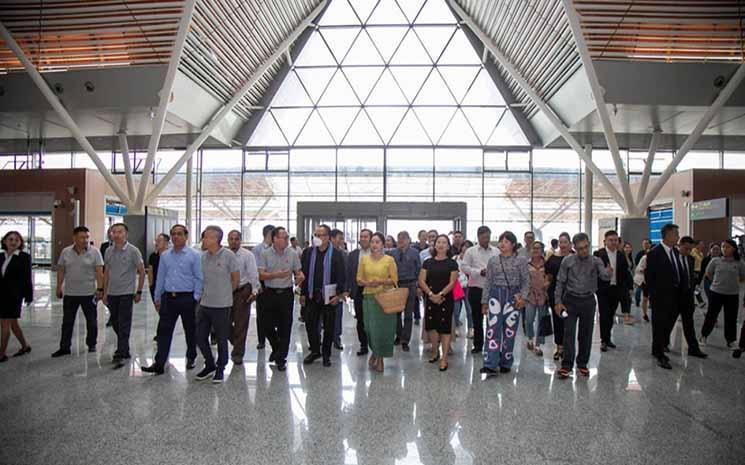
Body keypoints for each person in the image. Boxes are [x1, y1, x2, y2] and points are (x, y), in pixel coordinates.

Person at [141, 224, 203, 375]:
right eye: (174, 234)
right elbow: (160, 277)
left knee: (190, 330)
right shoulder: (165, 256)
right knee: (163, 331)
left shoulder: (194, 255)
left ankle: (191, 357)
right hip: (169, 298)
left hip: (187, 298)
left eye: (180, 234)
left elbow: (199, 278)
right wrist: (157, 297)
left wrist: (195, 297)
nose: (176, 237)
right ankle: (159, 363)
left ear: (186, 236)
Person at [554, 233, 611, 378]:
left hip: (588, 301)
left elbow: (604, 276)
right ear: (574, 247)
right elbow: (560, 282)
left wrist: (609, 272)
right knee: (569, 334)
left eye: (586, 247)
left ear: (589, 244)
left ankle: (582, 363)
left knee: (586, 334)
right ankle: (566, 365)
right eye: (580, 248)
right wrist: (558, 302)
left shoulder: (595, 261)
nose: (584, 251)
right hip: (570, 301)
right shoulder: (567, 261)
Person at [191, 226, 239, 383]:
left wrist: (225, 294)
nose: (204, 239)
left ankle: (220, 368)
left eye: (206, 237)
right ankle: (209, 364)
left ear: (215, 239)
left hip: (222, 305)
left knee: (221, 338)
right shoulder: (203, 257)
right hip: (204, 303)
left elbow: (235, 280)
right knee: (199, 336)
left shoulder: (229, 256)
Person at [479, 231, 529, 376]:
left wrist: (523, 298)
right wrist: (484, 301)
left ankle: (506, 361)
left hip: (513, 297)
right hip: (495, 296)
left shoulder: (521, 261)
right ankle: (490, 364)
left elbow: (526, 281)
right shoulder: (493, 260)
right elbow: (488, 282)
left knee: (510, 331)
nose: (502, 244)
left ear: (513, 245)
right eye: (501, 241)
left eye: (506, 241)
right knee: (492, 330)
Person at [53, 226, 104, 357]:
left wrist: (100, 289)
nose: (85, 240)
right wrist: (59, 286)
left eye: (87, 237)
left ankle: (92, 344)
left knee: (91, 321)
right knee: (67, 322)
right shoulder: (66, 252)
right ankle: (64, 347)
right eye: (82, 237)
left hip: (88, 293)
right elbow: (61, 270)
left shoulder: (95, 252)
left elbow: (99, 272)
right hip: (70, 293)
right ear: (74, 238)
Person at [258, 226, 304, 371]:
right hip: (269, 293)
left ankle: (281, 358)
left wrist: (300, 277)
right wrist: (275, 275)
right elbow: (260, 275)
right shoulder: (265, 254)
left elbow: (298, 272)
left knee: (286, 325)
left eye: (287, 237)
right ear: (274, 239)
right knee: (266, 325)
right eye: (283, 237)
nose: (286, 240)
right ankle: (276, 347)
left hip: (286, 294)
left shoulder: (292, 253)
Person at [300, 224, 346, 367]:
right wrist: (302, 293)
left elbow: (341, 277)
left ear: (327, 238)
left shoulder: (337, 254)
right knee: (310, 325)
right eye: (316, 235)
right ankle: (315, 350)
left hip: (329, 296)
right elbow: (304, 275)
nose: (317, 238)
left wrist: (338, 296)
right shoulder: (308, 252)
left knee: (329, 327)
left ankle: (326, 354)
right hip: (312, 295)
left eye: (321, 235)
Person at [645, 223, 689, 369]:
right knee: (659, 325)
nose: (678, 237)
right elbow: (649, 276)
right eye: (676, 234)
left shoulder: (675, 252)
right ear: (668, 235)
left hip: (676, 296)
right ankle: (659, 354)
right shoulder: (654, 253)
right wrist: (654, 296)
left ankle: (661, 346)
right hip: (661, 297)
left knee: (668, 324)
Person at [102, 223, 145, 367]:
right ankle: (125, 349)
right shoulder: (108, 251)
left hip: (126, 292)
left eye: (120, 232)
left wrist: (138, 291)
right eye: (114, 232)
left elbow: (142, 271)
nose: (116, 234)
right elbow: (106, 272)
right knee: (115, 322)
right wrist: (104, 291)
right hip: (112, 292)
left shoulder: (133, 251)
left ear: (126, 234)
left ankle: (120, 352)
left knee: (124, 323)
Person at [356, 232, 398, 373]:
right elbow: (359, 279)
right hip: (369, 298)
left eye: (377, 242)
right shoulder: (364, 260)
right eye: (373, 242)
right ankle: (374, 351)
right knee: (369, 329)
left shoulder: (389, 260)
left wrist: (380, 281)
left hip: (385, 298)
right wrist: (368, 283)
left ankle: (380, 358)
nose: (374, 245)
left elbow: (394, 280)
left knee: (382, 330)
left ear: (383, 244)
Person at [419, 234, 458, 371]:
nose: (441, 244)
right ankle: (435, 351)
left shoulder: (452, 263)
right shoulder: (428, 262)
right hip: (430, 297)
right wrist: (430, 294)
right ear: (434, 245)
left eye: (444, 242)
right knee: (432, 325)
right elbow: (422, 280)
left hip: (445, 299)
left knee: (445, 327)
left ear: (448, 246)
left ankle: (444, 358)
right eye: (438, 242)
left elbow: (452, 282)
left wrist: (440, 294)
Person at [699, 239, 745, 349]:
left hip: (732, 294)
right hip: (716, 293)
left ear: (733, 249)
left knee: (731, 317)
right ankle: (704, 335)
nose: (724, 249)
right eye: (723, 247)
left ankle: (730, 340)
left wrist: (732, 283)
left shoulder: (739, 263)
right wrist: (718, 283)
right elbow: (708, 274)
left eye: (727, 247)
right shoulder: (715, 261)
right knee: (711, 315)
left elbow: (743, 277)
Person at [460, 226, 498, 355]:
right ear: (478, 237)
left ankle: (492, 345)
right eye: (483, 237)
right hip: (476, 288)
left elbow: (500, 267)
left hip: (493, 289)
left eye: (488, 237)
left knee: (492, 319)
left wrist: (492, 272)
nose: (486, 240)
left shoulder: (496, 251)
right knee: (477, 319)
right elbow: (464, 267)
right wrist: (478, 272)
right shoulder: (471, 251)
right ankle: (478, 345)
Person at [671, 236, 708, 358]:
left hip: (687, 297)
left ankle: (693, 348)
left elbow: (690, 277)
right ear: (679, 245)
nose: (688, 251)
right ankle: (664, 344)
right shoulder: (672, 258)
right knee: (669, 322)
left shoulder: (691, 259)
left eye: (690, 249)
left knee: (689, 324)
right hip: (675, 297)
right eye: (686, 248)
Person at [593, 230, 629, 351]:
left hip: (616, 289)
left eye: (615, 240)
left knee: (611, 314)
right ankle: (603, 340)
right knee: (604, 314)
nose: (613, 242)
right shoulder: (599, 254)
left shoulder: (620, 254)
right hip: (603, 290)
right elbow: (594, 272)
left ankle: (607, 339)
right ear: (605, 241)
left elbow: (624, 272)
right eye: (611, 240)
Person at [227, 230, 259, 365]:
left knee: (241, 323)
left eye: (236, 239)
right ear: (228, 240)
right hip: (225, 291)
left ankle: (238, 353)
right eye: (231, 239)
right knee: (224, 322)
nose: (234, 241)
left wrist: (255, 290)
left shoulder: (247, 255)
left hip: (242, 290)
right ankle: (235, 340)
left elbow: (253, 273)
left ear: (240, 240)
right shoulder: (223, 255)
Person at [0, 231, 33, 362]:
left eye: (17, 240)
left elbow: (27, 277)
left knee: (4, 324)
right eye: (10, 239)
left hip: (13, 296)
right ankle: (25, 346)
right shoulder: (0, 256)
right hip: (1, 294)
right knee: (13, 323)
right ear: (5, 241)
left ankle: (1, 354)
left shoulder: (24, 257)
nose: (13, 242)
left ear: (20, 243)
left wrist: (28, 295)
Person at [388, 231, 421, 352]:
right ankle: (399, 335)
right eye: (399, 238)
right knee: (396, 313)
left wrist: (418, 286)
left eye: (403, 238)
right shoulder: (392, 253)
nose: (401, 240)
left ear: (409, 239)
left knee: (408, 314)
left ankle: (405, 340)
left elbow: (419, 269)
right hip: (397, 284)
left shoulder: (415, 253)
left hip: (410, 284)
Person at [546, 232, 572, 361]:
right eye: (560, 242)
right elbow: (549, 278)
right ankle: (559, 347)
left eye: (565, 242)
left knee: (569, 321)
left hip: (572, 295)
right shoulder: (553, 258)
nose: (562, 245)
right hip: (555, 295)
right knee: (557, 321)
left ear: (570, 243)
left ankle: (568, 347)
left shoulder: (575, 257)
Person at [346, 229, 372, 356]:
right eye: (361, 236)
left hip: (374, 290)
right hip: (359, 291)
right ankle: (363, 345)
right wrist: (349, 289)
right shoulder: (353, 255)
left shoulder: (377, 254)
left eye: (366, 236)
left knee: (373, 319)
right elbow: (349, 273)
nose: (363, 239)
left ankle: (375, 345)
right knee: (360, 319)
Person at [525, 241, 549, 357]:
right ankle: (530, 338)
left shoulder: (547, 264)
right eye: (534, 248)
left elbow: (551, 277)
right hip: (530, 296)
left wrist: (547, 283)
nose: (535, 250)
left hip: (543, 296)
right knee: (529, 319)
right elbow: (523, 280)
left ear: (542, 250)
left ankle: (538, 344)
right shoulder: (527, 264)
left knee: (542, 321)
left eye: (538, 248)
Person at [253, 224, 275, 350]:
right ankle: (261, 340)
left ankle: (273, 339)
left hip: (275, 284)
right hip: (262, 285)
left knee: (273, 314)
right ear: (268, 235)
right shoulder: (257, 250)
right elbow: (256, 269)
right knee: (261, 314)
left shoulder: (279, 249)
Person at [147, 233, 169, 342]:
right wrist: (151, 286)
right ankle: (162, 332)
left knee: (164, 312)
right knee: (160, 311)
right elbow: (150, 271)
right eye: (156, 240)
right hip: (155, 287)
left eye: (159, 241)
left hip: (167, 288)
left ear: (166, 243)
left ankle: (162, 333)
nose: (157, 243)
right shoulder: (153, 256)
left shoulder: (170, 256)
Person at [330, 229, 347, 350]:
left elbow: (346, 272)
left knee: (337, 315)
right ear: (332, 238)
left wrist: (344, 290)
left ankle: (336, 338)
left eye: (342, 238)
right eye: (340, 238)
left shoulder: (343, 254)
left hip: (338, 288)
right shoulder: (323, 252)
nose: (342, 241)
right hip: (324, 289)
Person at [453, 240, 474, 338]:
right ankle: (456, 327)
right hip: (457, 286)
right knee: (456, 310)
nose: (465, 248)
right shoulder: (455, 258)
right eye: (464, 246)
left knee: (469, 309)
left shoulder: (473, 260)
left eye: (468, 246)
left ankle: (470, 328)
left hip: (469, 287)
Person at [634, 238, 653, 321]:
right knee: (645, 297)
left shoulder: (657, 258)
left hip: (652, 280)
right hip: (643, 279)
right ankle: (644, 314)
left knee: (651, 297)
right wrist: (645, 270)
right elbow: (638, 268)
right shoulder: (644, 257)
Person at [101, 227, 113, 327]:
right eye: (108, 233)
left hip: (117, 277)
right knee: (104, 297)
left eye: (112, 232)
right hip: (106, 275)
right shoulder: (104, 246)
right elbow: (102, 262)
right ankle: (113, 314)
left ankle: (113, 317)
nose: (110, 234)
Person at [620, 242, 635, 325]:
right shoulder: (621, 257)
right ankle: (626, 317)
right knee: (625, 298)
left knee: (628, 298)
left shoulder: (629, 257)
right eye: (626, 247)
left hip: (629, 280)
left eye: (629, 247)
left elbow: (630, 268)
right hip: (623, 281)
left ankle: (627, 315)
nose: (628, 249)